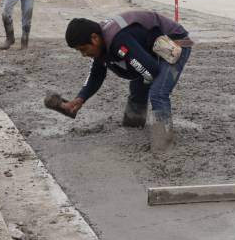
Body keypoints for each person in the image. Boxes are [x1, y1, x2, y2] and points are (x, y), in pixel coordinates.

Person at [62, 11, 193, 151]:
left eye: (83, 49)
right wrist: (81, 98)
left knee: (158, 92)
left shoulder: (118, 40)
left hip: (174, 44)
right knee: (139, 81)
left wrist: (143, 76)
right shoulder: (100, 39)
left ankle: (163, 143)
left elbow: (152, 70)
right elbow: (96, 74)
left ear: (94, 38)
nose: (83, 54)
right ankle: (133, 126)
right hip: (150, 47)